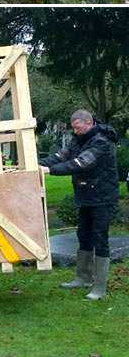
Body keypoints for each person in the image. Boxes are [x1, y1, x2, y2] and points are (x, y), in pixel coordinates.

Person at [39, 109, 119, 300]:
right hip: (86, 197)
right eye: (73, 128)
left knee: (100, 239)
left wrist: (49, 170)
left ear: (88, 123)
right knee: (83, 235)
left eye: (77, 127)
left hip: (102, 198)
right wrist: (36, 165)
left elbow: (81, 163)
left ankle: (99, 288)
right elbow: (61, 156)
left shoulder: (101, 142)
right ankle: (83, 277)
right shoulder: (79, 140)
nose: (75, 131)